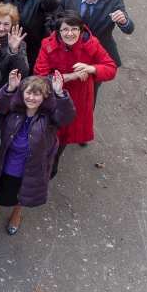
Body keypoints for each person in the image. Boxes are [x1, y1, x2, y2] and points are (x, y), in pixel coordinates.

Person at [0, 70, 75, 235]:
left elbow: (67, 117)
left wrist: (60, 94)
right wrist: (9, 89)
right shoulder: (13, 109)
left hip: (29, 168)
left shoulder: (49, 117)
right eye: (28, 93)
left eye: (36, 94)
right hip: (2, 164)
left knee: (21, 194)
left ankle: (16, 214)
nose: (31, 98)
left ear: (44, 97)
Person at [32, 11, 116, 175]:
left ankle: (50, 169)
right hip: (53, 98)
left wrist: (92, 68)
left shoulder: (92, 44)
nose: (70, 34)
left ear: (81, 30)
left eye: (74, 29)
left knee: (64, 138)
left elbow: (111, 68)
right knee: (47, 134)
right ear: (58, 31)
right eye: (65, 29)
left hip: (78, 99)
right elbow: (40, 76)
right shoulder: (48, 45)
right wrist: (69, 77)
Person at [59, 0, 134, 75]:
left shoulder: (114, 0)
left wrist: (124, 21)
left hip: (96, 55)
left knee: (92, 84)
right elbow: (57, 18)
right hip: (70, 52)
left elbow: (129, 29)